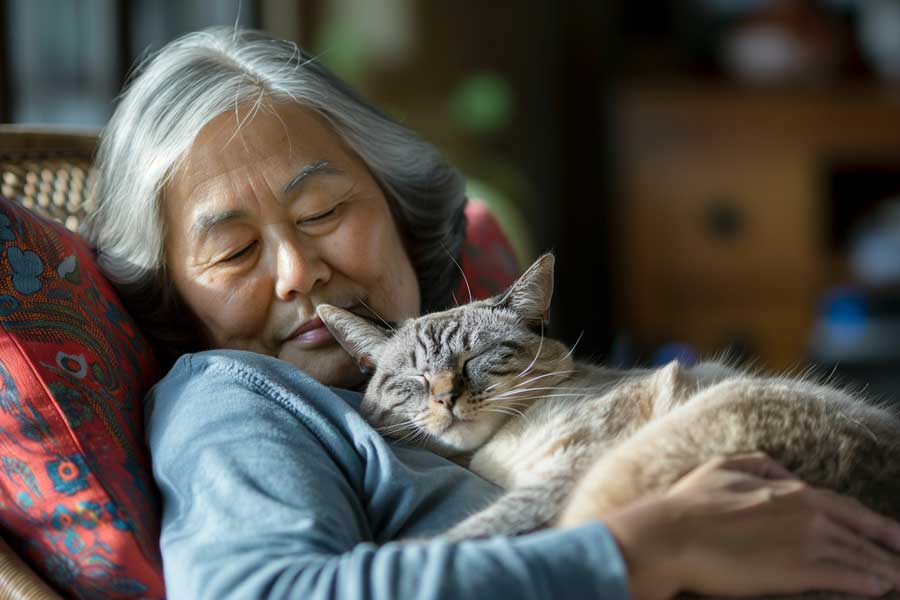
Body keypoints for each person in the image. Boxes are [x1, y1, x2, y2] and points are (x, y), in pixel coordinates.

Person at [83, 27, 900, 599]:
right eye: (232, 253)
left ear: (398, 210)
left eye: (324, 212)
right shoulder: (232, 400)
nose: (300, 272)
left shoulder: (453, 336)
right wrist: (640, 550)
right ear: (173, 294)